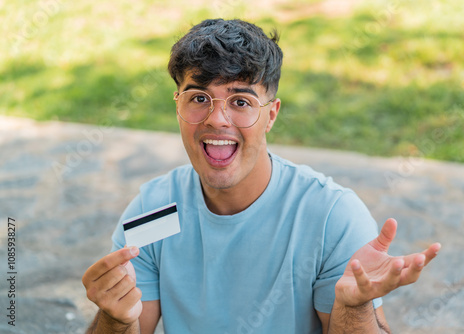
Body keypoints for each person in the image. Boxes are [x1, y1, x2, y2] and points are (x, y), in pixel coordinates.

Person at [82, 18, 441, 334]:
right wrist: (114, 319)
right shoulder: (152, 211)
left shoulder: (332, 217)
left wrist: (354, 306)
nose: (217, 119)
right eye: (198, 98)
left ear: (271, 115)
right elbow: (126, 324)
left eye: (241, 101)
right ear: (178, 105)